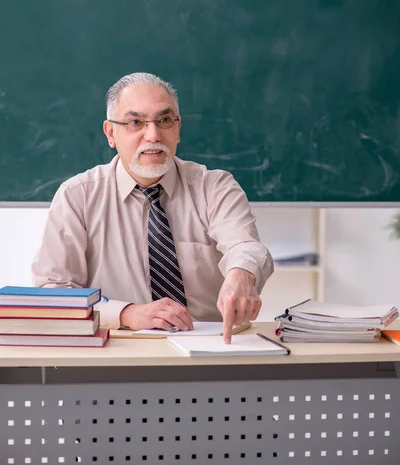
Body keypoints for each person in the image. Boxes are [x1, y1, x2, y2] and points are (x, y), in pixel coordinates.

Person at [32, 73, 273, 342]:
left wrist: (241, 273)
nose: (153, 135)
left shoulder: (214, 186)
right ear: (111, 133)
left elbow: (245, 246)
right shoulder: (78, 196)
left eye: (165, 120)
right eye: (135, 122)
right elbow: (53, 292)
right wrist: (125, 313)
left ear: (178, 128)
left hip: (210, 346)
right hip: (118, 351)